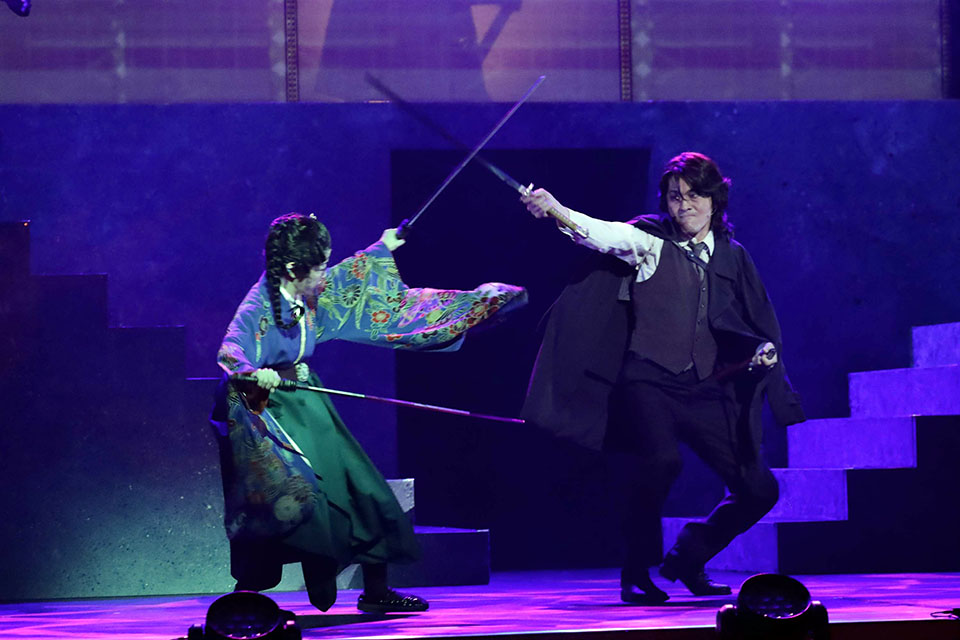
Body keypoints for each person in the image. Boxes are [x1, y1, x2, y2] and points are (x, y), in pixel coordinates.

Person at [520, 152, 804, 604]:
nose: (684, 205)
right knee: (659, 462)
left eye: (694, 195)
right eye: (675, 197)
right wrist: (556, 210)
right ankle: (636, 571)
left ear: (715, 200)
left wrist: (760, 351)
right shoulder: (649, 241)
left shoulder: (733, 257)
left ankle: (690, 556)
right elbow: (600, 233)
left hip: (706, 389)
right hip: (648, 380)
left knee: (759, 489)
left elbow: (755, 319)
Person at [210, 212, 526, 613]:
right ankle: (246, 596)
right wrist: (257, 374)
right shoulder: (257, 305)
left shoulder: (307, 289)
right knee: (294, 503)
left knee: (364, 488)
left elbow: (347, 278)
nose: (325, 275)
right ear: (292, 269)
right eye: (319, 267)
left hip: (309, 405)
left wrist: (382, 247)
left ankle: (376, 590)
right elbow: (231, 353)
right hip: (270, 417)